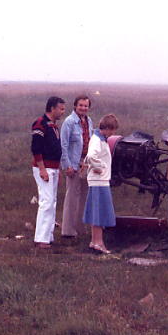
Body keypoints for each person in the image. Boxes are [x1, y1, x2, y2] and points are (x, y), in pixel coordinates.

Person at [31, 96, 66, 248]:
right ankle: (41, 239)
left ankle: (48, 235)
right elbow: (36, 148)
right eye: (61, 109)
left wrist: (56, 169)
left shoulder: (54, 126)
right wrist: (42, 169)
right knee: (46, 201)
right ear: (52, 108)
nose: (63, 112)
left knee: (52, 202)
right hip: (44, 167)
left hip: (53, 167)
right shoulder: (40, 124)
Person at [83, 114, 119, 254]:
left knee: (97, 211)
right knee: (99, 212)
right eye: (112, 130)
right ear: (107, 128)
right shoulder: (97, 139)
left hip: (100, 180)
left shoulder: (101, 139)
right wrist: (98, 167)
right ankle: (99, 242)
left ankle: (94, 241)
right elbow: (91, 156)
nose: (113, 133)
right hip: (99, 181)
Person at [60, 95, 94, 242]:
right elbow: (64, 145)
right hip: (73, 163)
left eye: (86, 106)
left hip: (85, 163)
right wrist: (67, 165)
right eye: (81, 105)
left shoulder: (89, 121)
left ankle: (80, 228)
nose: (83, 108)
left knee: (84, 196)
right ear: (75, 106)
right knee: (72, 196)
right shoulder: (69, 122)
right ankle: (68, 231)